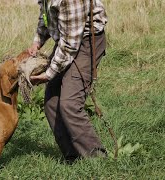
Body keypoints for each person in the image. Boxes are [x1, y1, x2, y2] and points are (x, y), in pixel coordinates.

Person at [28, 0, 108, 162]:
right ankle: (74, 157)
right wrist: (38, 41)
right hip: (66, 41)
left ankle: (97, 160)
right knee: (52, 102)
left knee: (70, 102)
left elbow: (71, 45)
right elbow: (46, 16)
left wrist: (49, 74)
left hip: (86, 42)